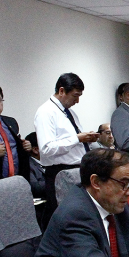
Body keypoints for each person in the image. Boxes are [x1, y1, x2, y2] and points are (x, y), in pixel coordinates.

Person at [34, 73, 99, 230]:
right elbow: (46, 149)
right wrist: (77, 138)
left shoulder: (69, 112)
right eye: (75, 96)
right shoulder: (46, 112)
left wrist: (87, 139)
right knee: (63, 218)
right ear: (62, 91)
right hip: (59, 173)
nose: (77, 101)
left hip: (76, 170)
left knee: (78, 215)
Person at [24, 132, 46, 198]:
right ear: (36, 150)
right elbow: (35, 187)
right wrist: (55, 181)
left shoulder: (54, 161)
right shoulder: (28, 166)